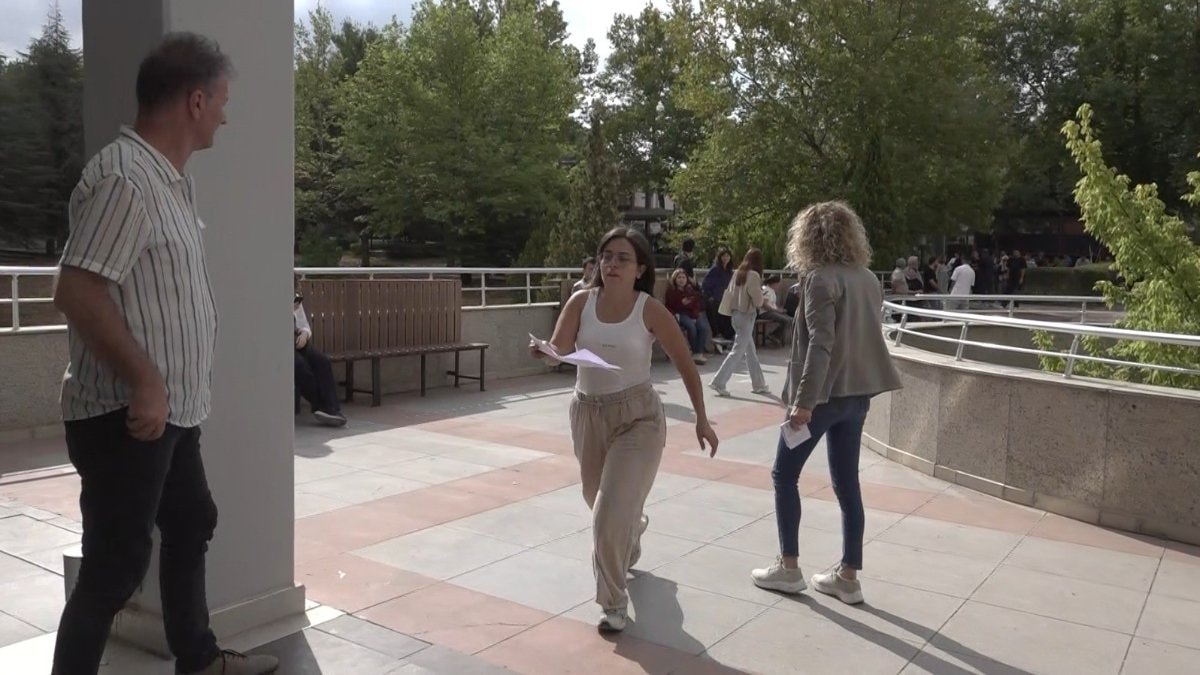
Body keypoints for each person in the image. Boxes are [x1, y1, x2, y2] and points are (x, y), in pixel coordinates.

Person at [48, 34, 278, 675]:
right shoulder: (125, 179)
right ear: (196, 101)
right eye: (222, 102)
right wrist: (146, 380)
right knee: (114, 570)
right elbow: (77, 290)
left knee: (191, 520)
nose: (226, 117)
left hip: (170, 413)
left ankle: (198, 660)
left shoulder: (167, 181)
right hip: (127, 417)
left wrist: (165, 389)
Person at [534, 227, 719, 633]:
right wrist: (546, 352)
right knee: (598, 500)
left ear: (640, 269)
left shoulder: (649, 310)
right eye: (606, 256)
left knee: (606, 515)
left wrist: (701, 418)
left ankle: (612, 603)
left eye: (623, 258)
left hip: (639, 418)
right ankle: (633, 529)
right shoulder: (581, 302)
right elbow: (558, 351)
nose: (612, 264)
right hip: (588, 413)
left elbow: (685, 364)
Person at [750, 201, 902, 605]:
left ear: (807, 238)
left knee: (784, 475)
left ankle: (788, 567)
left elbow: (821, 344)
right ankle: (848, 576)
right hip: (857, 395)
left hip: (823, 397)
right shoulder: (867, 278)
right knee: (847, 484)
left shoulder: (819, 279)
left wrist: (804, 402)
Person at [709, 248, 769, 397]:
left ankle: (759, 384)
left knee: (750, 351)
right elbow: (758, 300)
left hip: (735, 315)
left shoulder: (737, 273)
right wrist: (763, 298)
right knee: (738, 351)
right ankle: (718, 382)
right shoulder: (754, 275)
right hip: (746, 316)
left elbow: (729, 293)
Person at [294, 288, 347, 427]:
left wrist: (304, 334)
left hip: (297, 341)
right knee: (299, 365)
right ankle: (322, 406)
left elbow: (303, 324)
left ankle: (332, 409)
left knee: (321, 361)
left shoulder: (293, 292)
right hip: (278, 344)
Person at [664, 268, 710, 364]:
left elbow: (696, 304)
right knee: (691, 327)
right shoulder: (672, 291)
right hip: (680, 313)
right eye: (679, 278)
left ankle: (698, 352)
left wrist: (694, 315)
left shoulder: (690, 289)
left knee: (703, 327)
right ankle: (695, 350)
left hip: (692, 313)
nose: (681, 280)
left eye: (683, 277)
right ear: (675, 279)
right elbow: (670, 306)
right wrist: (681, 305)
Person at [701, 247, 735, 342]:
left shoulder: (729, 271)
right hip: (715, 298)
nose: (725, 258)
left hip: (726, 297)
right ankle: (718, 334)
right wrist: (710, 296)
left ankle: (729, 336)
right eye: (724, 256)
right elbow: (706, 284)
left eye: (727, 256)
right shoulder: (715, 269)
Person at [758, 274, 793, 345]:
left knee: (790, 320)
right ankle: (773, 335)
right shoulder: (766, 290)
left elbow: (772, 304)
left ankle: (776, 336)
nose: (778, 286)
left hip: (772, 311)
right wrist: (775, 310)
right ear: (774, 283)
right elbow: (763, 304)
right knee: (785, 321)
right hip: (766, 312)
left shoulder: (772, 291)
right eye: (778, 284)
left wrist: (779, 309)